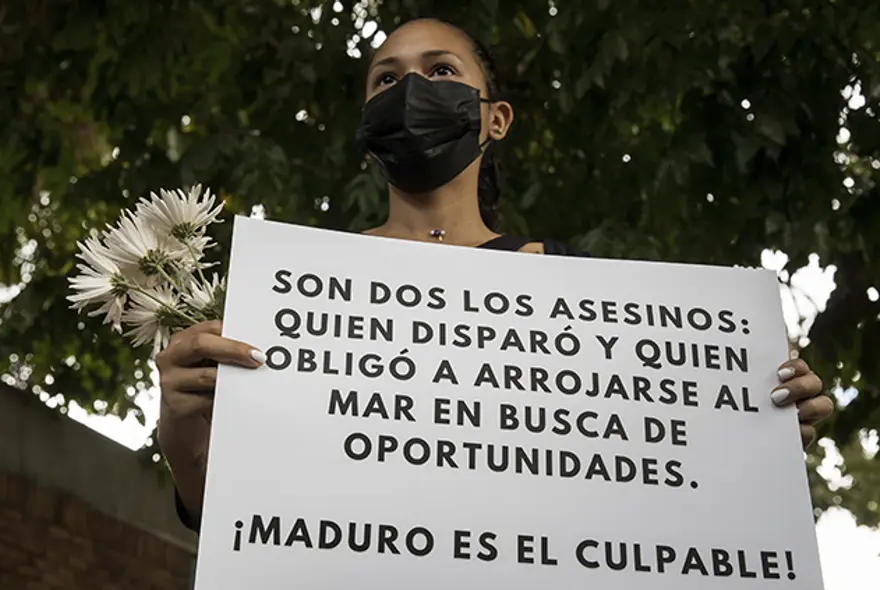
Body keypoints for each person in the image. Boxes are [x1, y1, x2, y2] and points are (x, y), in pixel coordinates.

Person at [154, 17, 835, 533]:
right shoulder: (290, 297)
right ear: (367, 121)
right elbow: (254, 522)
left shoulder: (580, 283)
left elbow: (660, 492)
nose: (411, 89)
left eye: (441, 70)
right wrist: (185, 441)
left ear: (496, 118)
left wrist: (760, 426)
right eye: (385, 79)